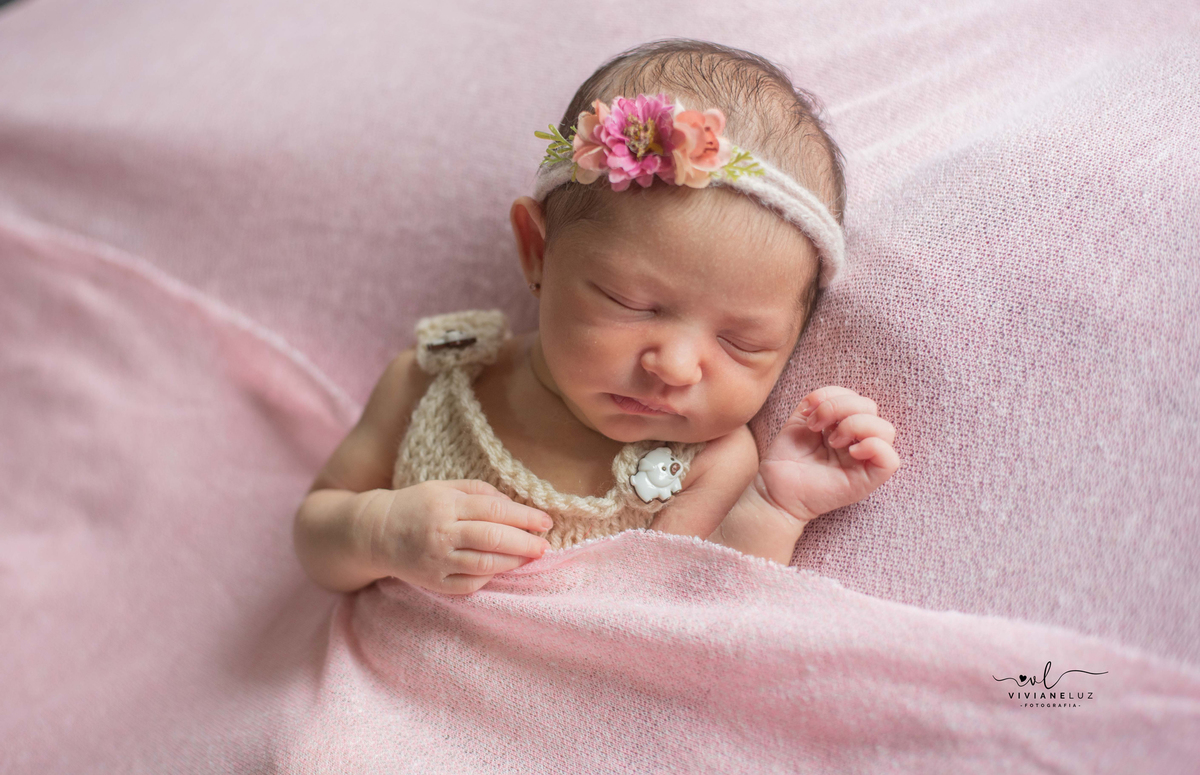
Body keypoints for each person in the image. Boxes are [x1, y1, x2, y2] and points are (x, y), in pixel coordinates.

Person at [293, 39, 899, 596]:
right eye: (631, 304)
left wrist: (775, 506)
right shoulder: (434, 379)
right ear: (538, 250)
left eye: (744, 342)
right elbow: (317, 531)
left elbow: (692, 617)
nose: (677, 366)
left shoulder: (712, 463)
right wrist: (380, 532)